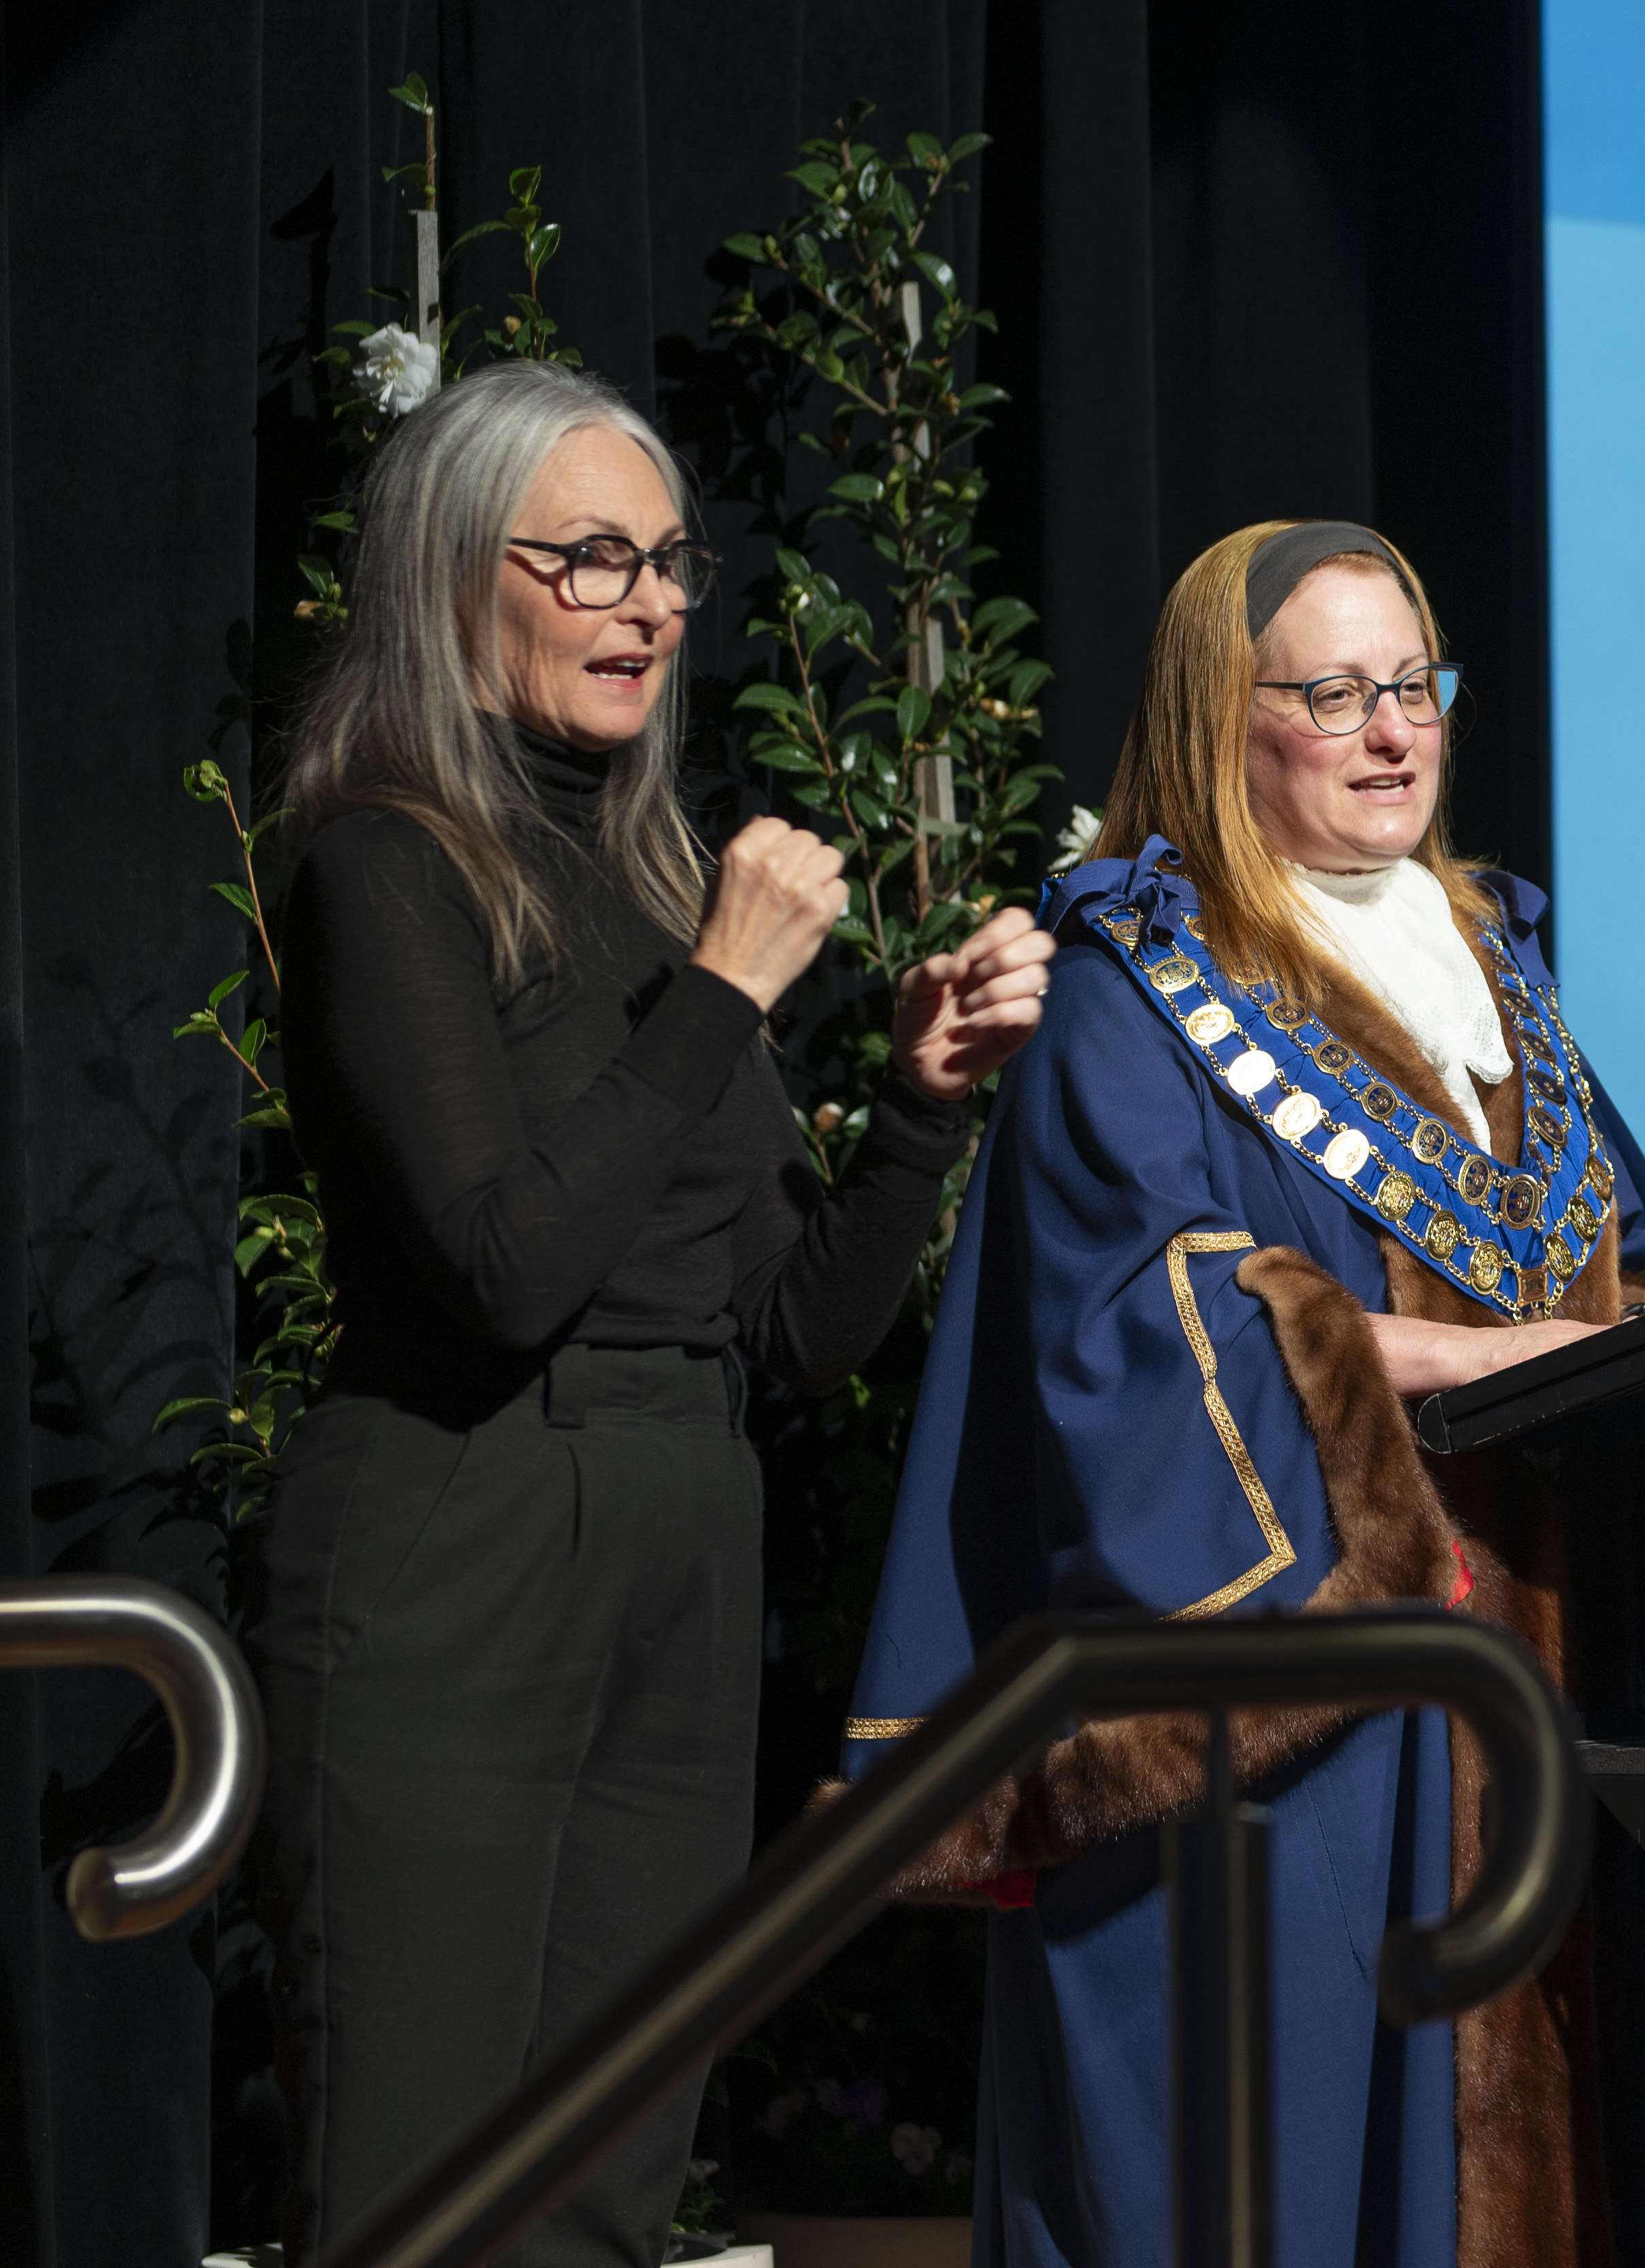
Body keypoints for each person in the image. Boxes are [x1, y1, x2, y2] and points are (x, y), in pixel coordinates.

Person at [255, 360, 1056, 2264]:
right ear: (459, 577)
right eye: (594, 557)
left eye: (671, 563)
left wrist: (916, 1121)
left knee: (611, 2191)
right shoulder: (392, 862)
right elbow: (504, 1269)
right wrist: (724, 991)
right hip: (463, 1536)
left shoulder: (657, 882)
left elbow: (784, 1338)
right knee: (421, 2190)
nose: (653, 603)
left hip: (683, 1542)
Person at [840, 517, 1645, 2268]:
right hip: (1298, 1708)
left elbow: (1633, 1242)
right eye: (1333, 692)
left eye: (1414, 685)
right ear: (1224, 719)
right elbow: (1130, 1329)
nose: (1393, 732)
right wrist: (1474, 1354)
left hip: (1529, 1653)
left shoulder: (1494, 967)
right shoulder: (1132, 988)